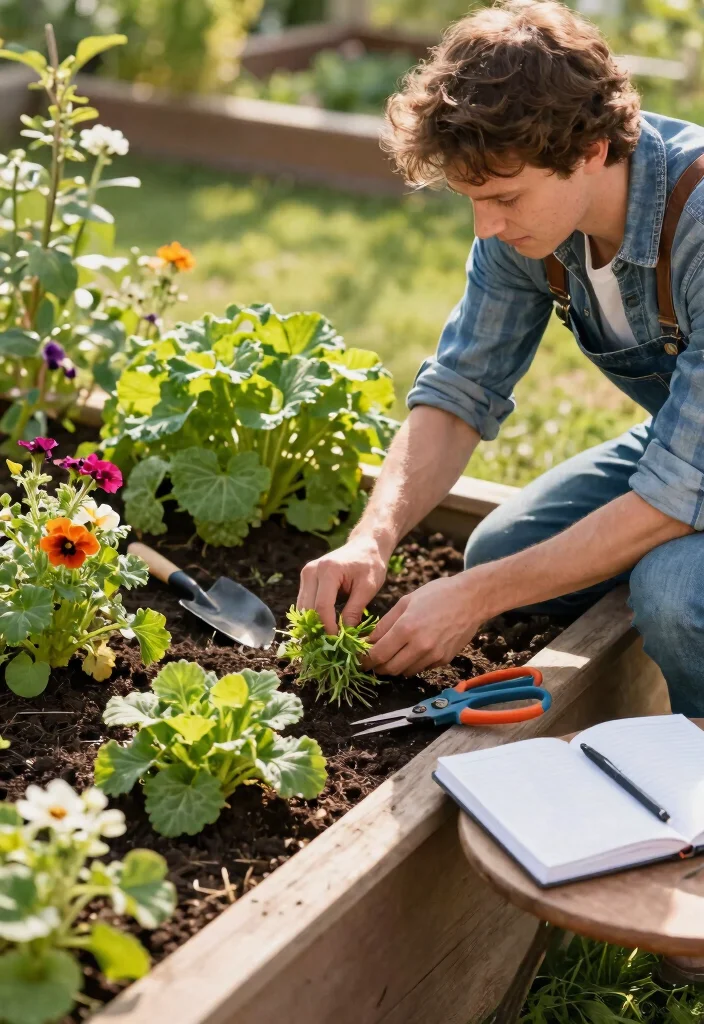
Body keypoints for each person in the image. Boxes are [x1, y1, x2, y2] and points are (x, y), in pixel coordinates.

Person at [297, 0, 704, 718]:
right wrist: (372, 538)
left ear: (590, 151)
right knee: (500, 551)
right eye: (472, 200)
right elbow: (460, 390)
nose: (486, 225)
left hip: (688, 473)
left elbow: (674, 499)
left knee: (672, 595)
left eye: (505, 198)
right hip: (689, 447)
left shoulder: (697, 224)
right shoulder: (529, 229)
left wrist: (475, 601)